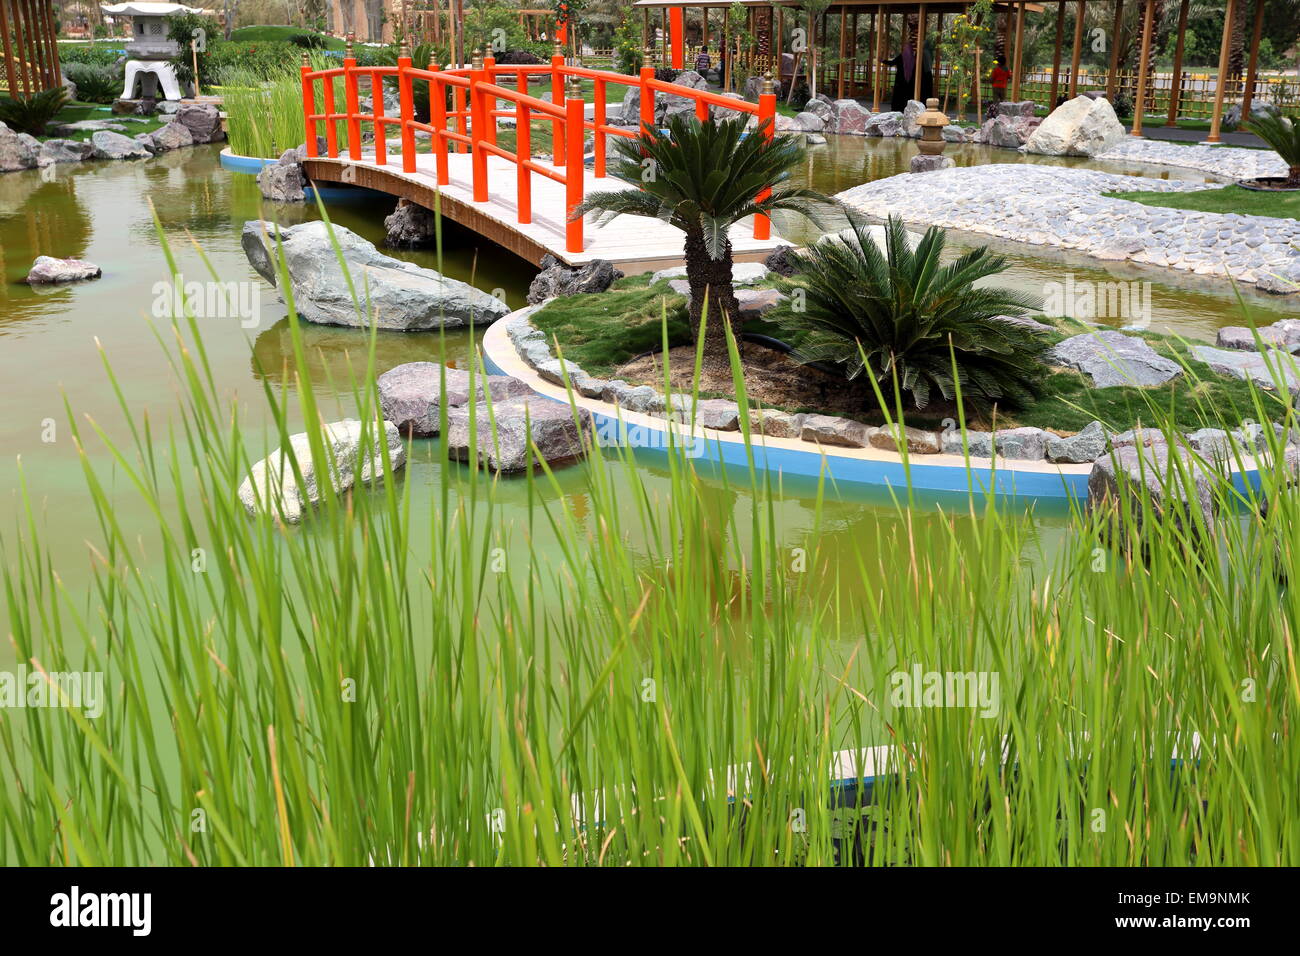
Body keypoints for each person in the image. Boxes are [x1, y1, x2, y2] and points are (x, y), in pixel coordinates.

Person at [882, 37, 933, 111]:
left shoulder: (903, 57)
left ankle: (898, 108)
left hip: (900, 81)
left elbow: (892, 63)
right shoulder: (915, 57)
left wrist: (882, 61)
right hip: (912, 82)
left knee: (899, 95)